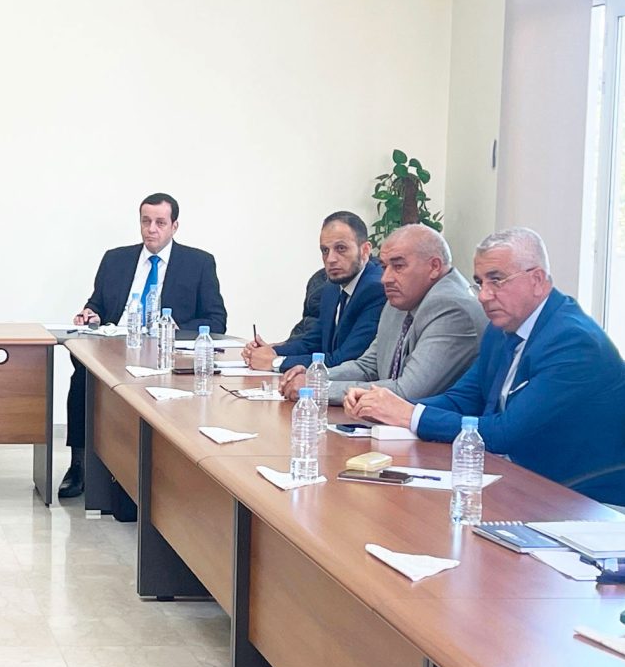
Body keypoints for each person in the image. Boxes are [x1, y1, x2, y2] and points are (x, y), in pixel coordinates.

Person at [346, 227, 625, 503]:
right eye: (480, 282)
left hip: (573, 497)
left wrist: (410, 415)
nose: (484, 295)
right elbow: (462, 399)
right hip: (511, 479)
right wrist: (386, 408)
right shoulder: (502, 328)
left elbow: (505, 433)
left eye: (496, 280)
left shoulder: (573, 341)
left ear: (537, 280)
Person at [62, 193, 228, 513]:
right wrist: (91, 314)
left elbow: (216, 320)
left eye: (160, 223)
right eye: (146, 221)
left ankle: (154, 475)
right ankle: (79, 464)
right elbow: (98, 304)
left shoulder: (198, 263)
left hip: (166, 354)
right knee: (82, 374)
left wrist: (177, 329)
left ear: (174, 226)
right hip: (114, 348)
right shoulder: (116, 259)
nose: (151, 229)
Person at [282, 224, 483, 406]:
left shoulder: (451, 308)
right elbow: (368, 366)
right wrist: (315, 376)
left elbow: (406, 393)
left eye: (398, 266)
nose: (385, 278)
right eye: (385, 267)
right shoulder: (402, 299)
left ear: (434, 266)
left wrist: (317, 389)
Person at [245, 212, 384, 375]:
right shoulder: (331, 287)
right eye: (325, 250)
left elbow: (344, 360)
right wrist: (270, 351)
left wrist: (276, 362)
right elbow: (313, 343)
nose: (331, 259)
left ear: (365, 250)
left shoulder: (376, 289)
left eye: (341, 248)